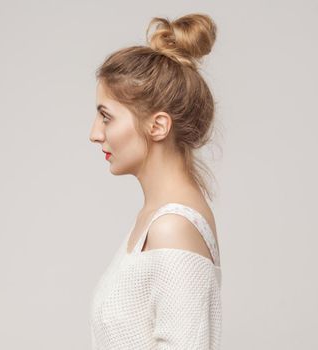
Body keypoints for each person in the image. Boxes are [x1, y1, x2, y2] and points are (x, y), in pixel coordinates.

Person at [88, 13, 222, 350]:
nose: (94, 133)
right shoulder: (155, 220)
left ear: (158, 126)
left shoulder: (173, 227)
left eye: (106, 117)